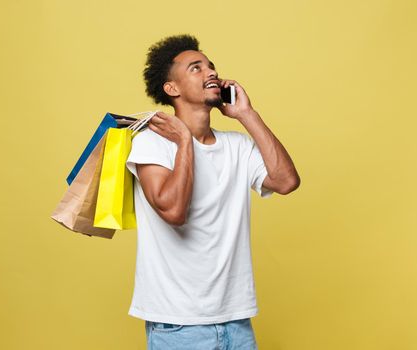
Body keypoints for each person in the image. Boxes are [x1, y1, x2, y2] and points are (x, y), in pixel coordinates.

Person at [125, 34, 300, 350]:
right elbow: (174, 212)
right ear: (172, 88)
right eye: (196, 68)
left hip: (236, 321)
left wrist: (248, 115)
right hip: (178, 326)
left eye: (211, 67)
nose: (211, 73)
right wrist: (183, 141)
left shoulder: (237, 146)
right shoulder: (150, 143)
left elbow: (286, 182)